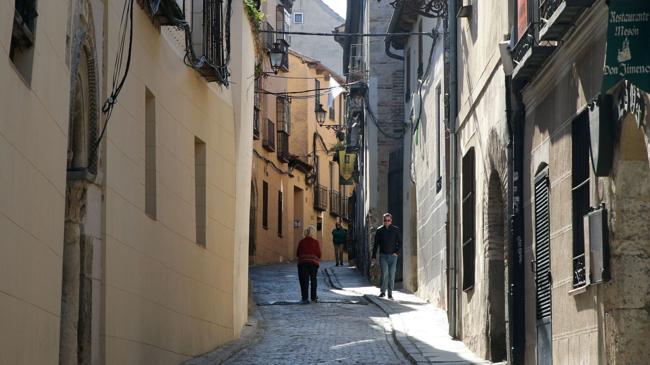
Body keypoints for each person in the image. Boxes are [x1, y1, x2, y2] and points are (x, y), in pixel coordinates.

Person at [371, 213, 402, 300]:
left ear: (391, 221)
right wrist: (373, 256)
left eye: (388, 220)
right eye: (385, 220)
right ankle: (383, 291)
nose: (387, 222)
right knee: (385, 273)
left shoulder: (395, 230)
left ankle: (390, 293)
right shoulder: (379, 230)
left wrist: (397, 253)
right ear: (383, 221)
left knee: (392, 274)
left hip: (393, 256)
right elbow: (376, 244)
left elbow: (400, 242)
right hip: (383, 255)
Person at [296, 225, 322, 304]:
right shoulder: (316, 242)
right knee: (313, 280)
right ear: (312, 233)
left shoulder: (301, 242)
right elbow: (319, 254)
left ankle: (304, 298)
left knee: (304, 280)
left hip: (303, 263)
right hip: (313, 263)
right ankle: (313, 298)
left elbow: (298, 253)